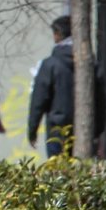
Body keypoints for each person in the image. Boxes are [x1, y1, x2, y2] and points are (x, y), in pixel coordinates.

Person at [27, 16, 75, 157]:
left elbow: (39, 100)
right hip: (85, 129)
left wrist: (32, 130)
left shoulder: (50, 65)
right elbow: (102, 97)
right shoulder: (89, 62)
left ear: (58, 35)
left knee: (57, 173)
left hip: (57, 129)